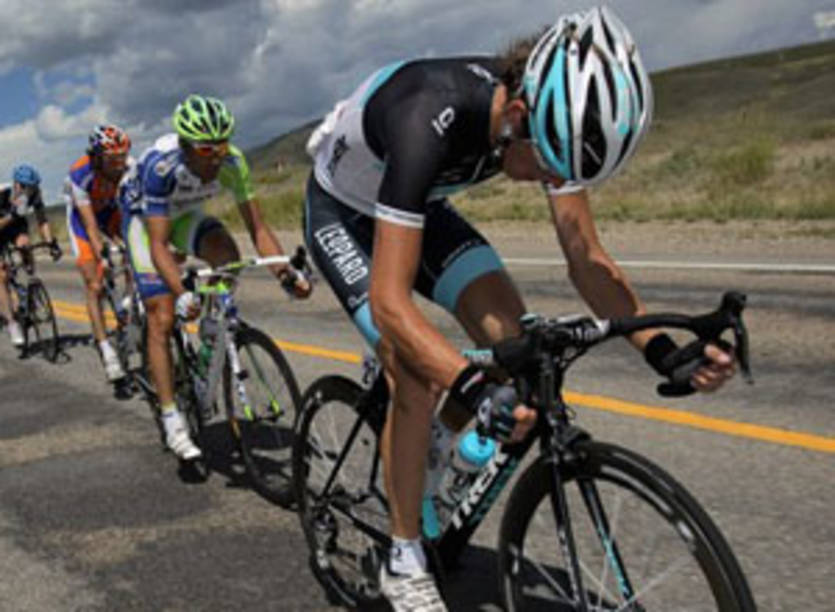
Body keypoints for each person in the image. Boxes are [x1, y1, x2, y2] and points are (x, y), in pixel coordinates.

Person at [303, 7, 736, 611]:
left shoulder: (550, 127)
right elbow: (391, 302)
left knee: (512, 336)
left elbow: (587, 261)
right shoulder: (428, 112)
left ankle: (436, 453)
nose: (551, 181)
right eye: (548, 165)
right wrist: (471, 386)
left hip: (419, 205)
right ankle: (403, 558)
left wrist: (663, 349)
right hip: (344, 215)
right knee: (415, 372)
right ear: (517, 114)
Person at [119, 94, 310, 461]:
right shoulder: (161, 167)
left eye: (222, 145)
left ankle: (210, 329)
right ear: (186, 146)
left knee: (227, 255)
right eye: (207, 149)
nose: (217, 156)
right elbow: (158, 244)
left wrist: (285, 274)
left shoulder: (233, 162)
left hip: (185, 214)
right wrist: (181, 293)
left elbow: (258, 228)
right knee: (162, 315)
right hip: (144, 222)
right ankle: (172, 419)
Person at [64, 124, 133, 382]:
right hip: (83, 220)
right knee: (94, 284)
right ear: (96, 157)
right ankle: (105, 348)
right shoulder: (80, 174)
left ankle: (128, 301)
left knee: (135, 247)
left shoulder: (130, 167)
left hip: (110, 210)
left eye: (122, 156)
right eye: (112, 159)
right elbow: (91, 225)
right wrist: (102, 255)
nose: (119, 163)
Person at [0, 164, 62, 348]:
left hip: (16, 227)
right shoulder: (3, 195)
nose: (30, 192)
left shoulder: (34, 194)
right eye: (27, 187)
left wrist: (50, 242)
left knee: (25, 244)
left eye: (33, 188)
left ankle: (29, 284)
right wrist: (11, 215)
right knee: (1, 275)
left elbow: (42, 220)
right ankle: (12, 323)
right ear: (17, 185)